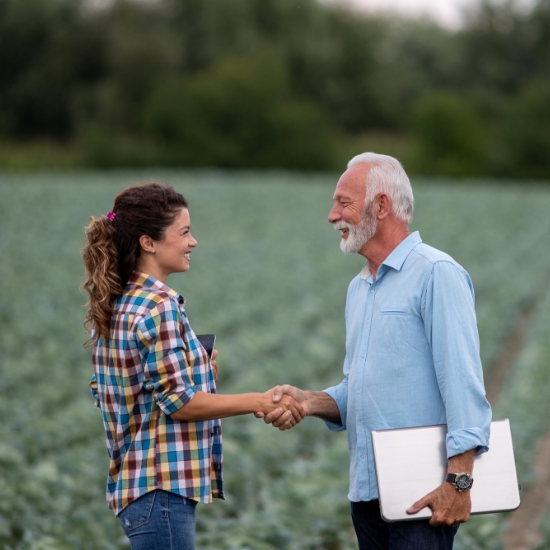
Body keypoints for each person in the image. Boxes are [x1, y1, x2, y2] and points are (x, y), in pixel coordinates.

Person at [258, 153, 492, 550]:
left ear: (381, 206)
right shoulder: (359, 288)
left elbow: (463, 383)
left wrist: (459, 482)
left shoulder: (436, 273)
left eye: (343, 202)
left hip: (424, 494)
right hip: (367, 495)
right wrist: (310, 401)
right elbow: (360, 391)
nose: (333, 216)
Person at [82, 182, 304, 550]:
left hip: (138, 488)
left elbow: (131, 391)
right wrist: (260, 402)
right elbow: (179, 403)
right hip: (161, 490)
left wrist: (201, 374)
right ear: (148, 242)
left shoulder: (120, 302)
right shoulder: (159, 305)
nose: (193, 241)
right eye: (184, 232)